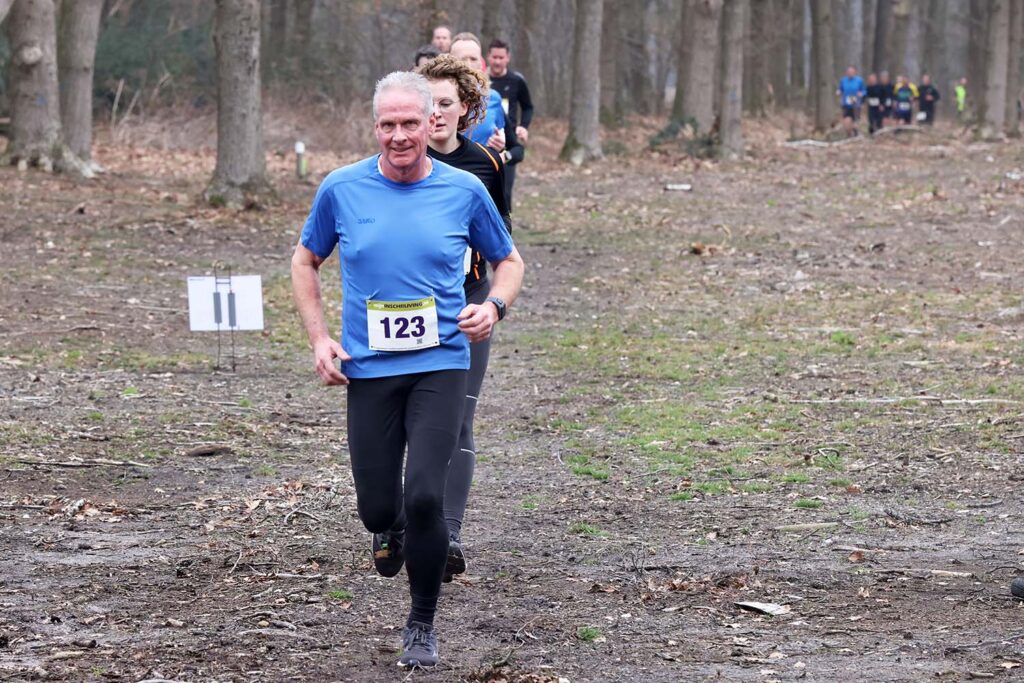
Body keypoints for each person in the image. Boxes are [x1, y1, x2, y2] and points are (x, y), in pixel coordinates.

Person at [290, 70, 524, 668]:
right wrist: (320, 340)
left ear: (432, 124)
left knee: (425, 495)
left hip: (441, 362)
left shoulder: (464, 190)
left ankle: (421, 620)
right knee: (377, 508)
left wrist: (492, 306)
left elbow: (510, 261)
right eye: (388, 125)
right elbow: (305, 260)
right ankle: (386, 526)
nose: (399, 135)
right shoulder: (341, 189)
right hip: (368, 369)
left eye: (410, 123)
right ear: (376, 127)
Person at [415, 54, 512, 584]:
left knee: (458, 417)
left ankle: (449, 534)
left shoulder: (484, 165)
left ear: (466, 108)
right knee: (411, 419)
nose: (433, 115)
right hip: (406, 308)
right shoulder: (395, 157)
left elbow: (501, 244)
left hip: (465, 304)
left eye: (444, 104)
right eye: (425, 104)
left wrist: (492, 302)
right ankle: (401, 518)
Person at [487, 38, 534, 210]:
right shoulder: (481, 80)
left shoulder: (516, 80)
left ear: (508, 58)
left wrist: (524, 126)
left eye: (501, 57)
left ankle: (505, 230)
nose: (497, 61)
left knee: (504, 194)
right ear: (488, 57)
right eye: (494, 57)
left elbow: (528, 107)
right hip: (486, 140)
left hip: (508, 142)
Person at [837, 65, 865, 136]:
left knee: (855, 121)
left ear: (855, 72)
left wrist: (861, 93)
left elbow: (864, 91)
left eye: (852, 72)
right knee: (846, 122)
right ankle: (849, 134)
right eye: (849, 72)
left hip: (856, 104)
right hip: (846, 104)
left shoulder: (859, 80)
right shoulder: (843, 80)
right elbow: (840, 89)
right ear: (846, 72)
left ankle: (856, 133)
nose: (850, 73)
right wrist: (839, 91)